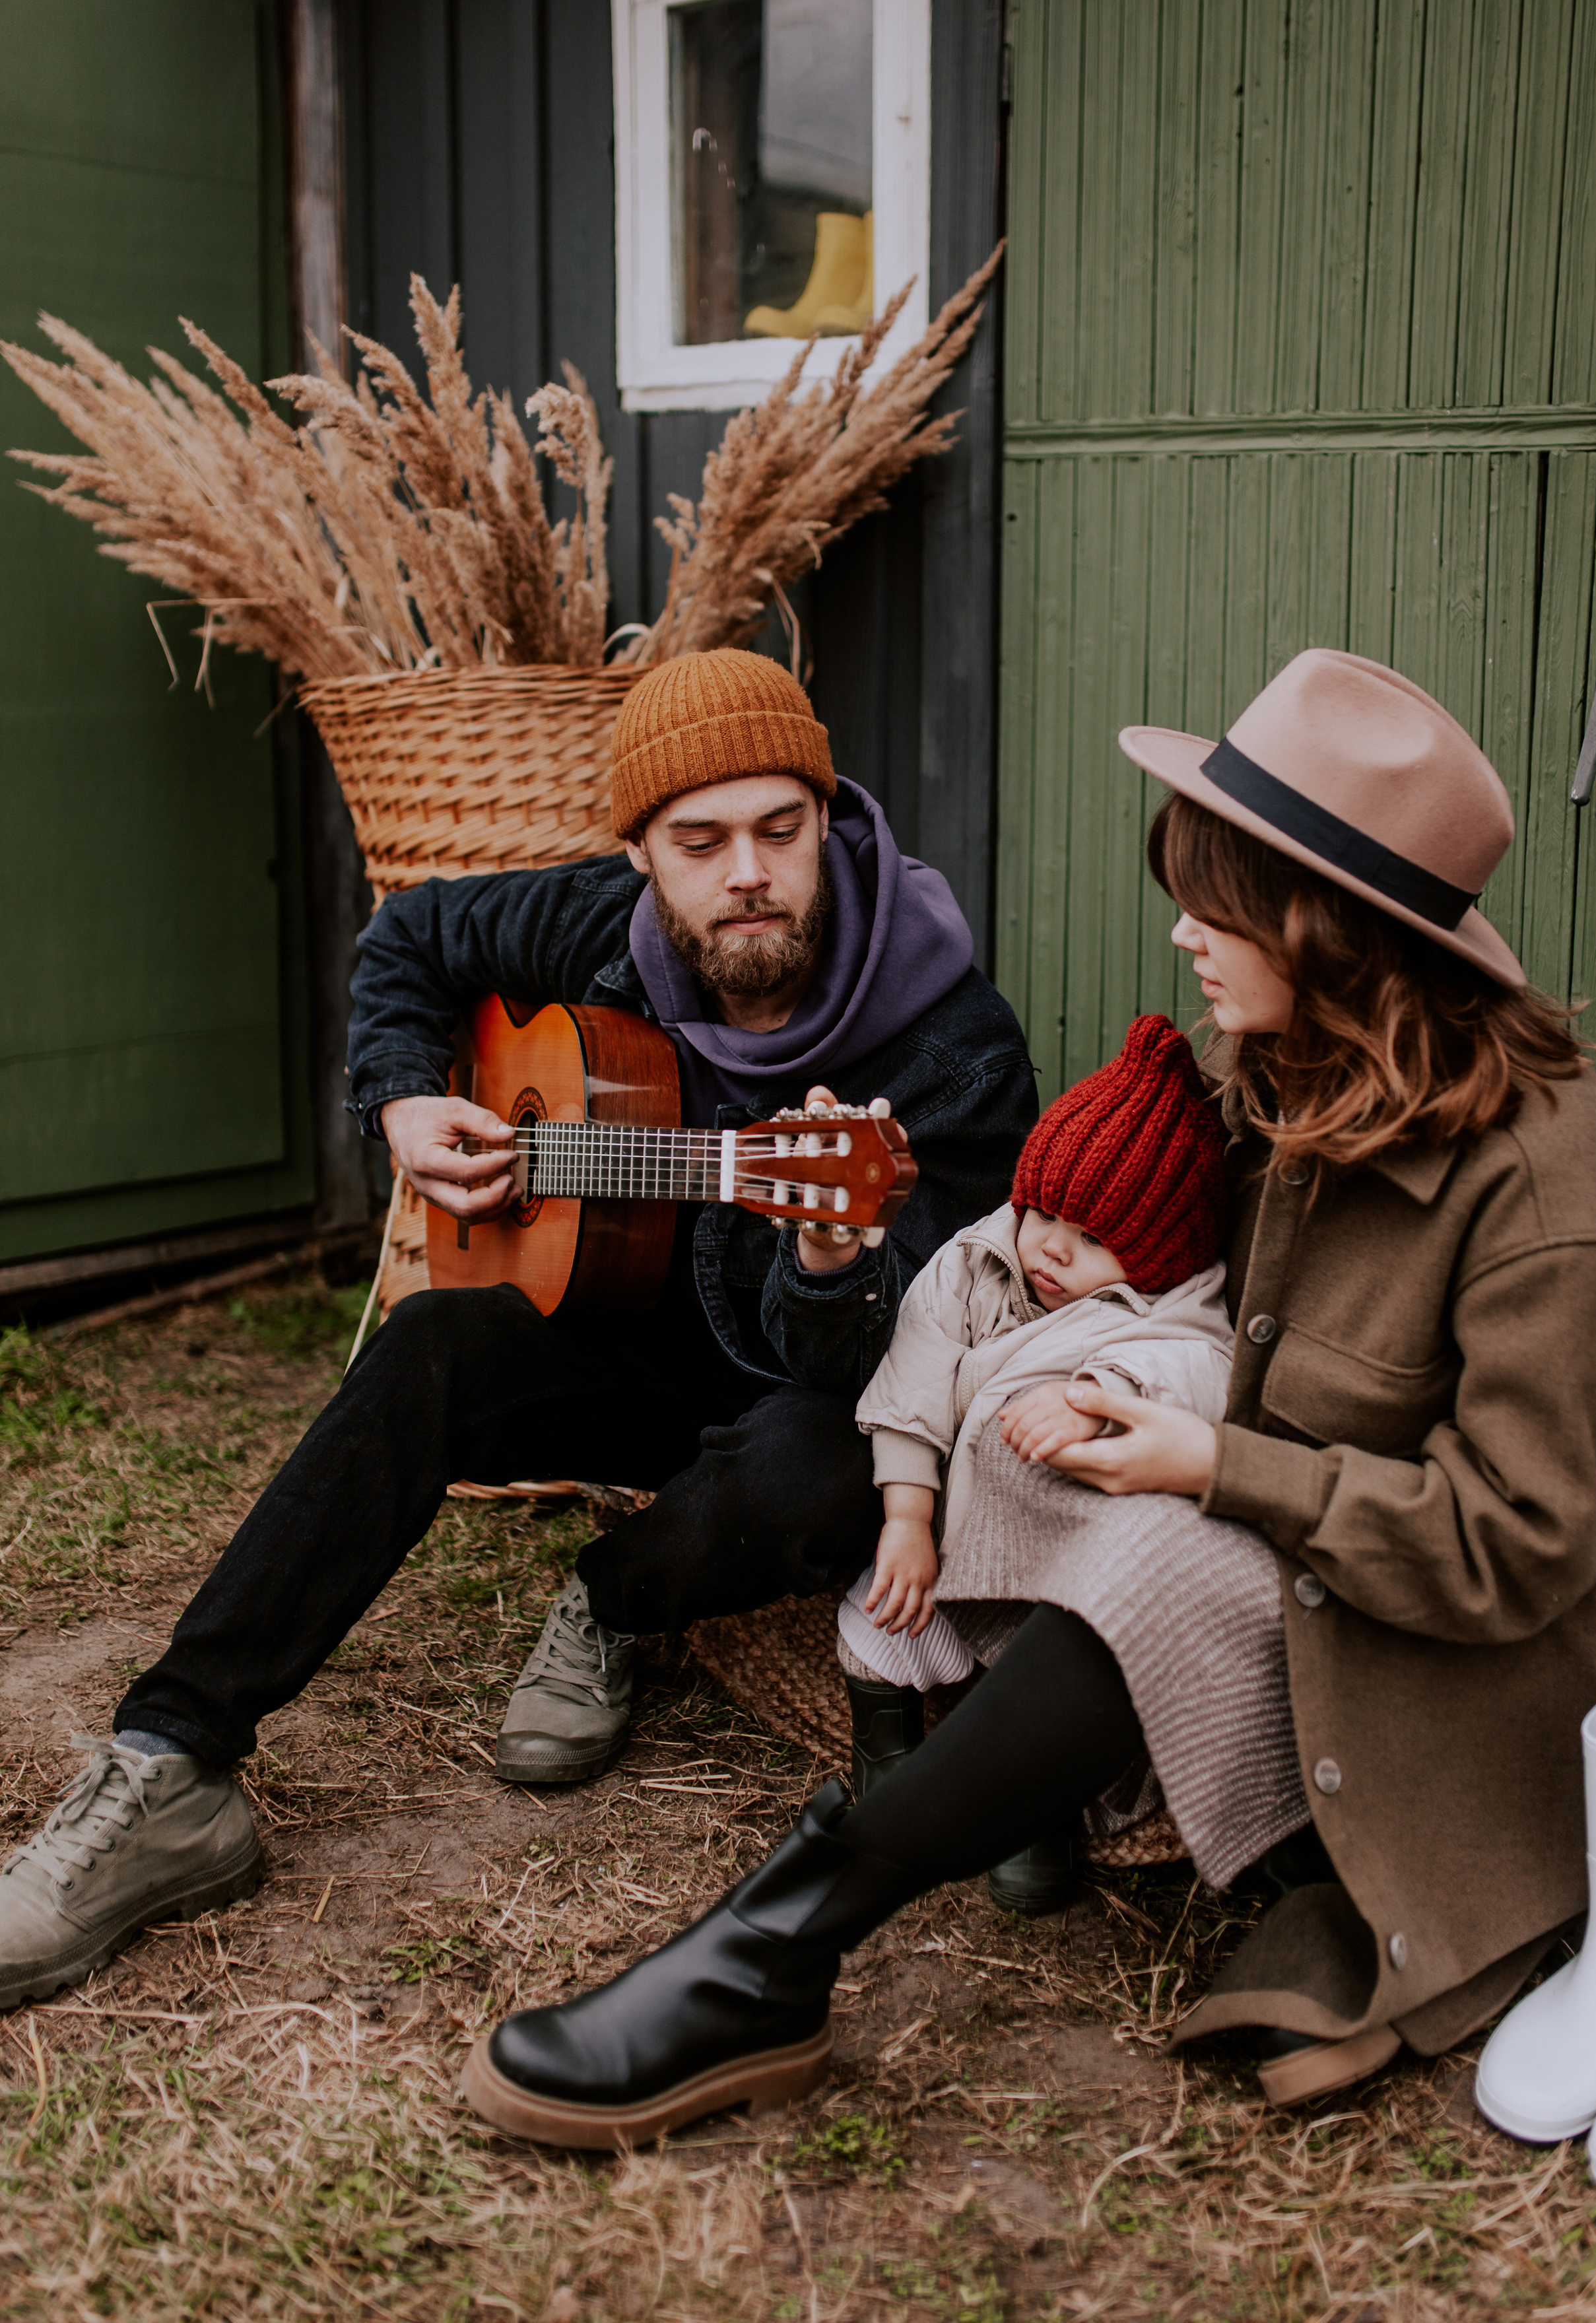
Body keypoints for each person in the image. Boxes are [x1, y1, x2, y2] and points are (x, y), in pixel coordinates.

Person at [459, 646, 1596, 2152]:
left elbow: (1520, 1546)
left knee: (1172, 1552)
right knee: (1054, 1426)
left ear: (1330, 930)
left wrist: (1218, 1467)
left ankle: (774, 1947)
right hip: (1346, 1531)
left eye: (1214, 901)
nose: (1178, 928)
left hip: (1544, 1634)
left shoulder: (1552, 1198)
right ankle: (981, 1818)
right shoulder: (1284, 1086)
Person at [0, 651, 1036, 2011]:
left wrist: (831, 1250)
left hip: (821, 1388)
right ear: (642, 857)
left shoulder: (951, 1050)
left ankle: (613, 1598)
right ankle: (170, 1764)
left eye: (779, 832)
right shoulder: (603, 929)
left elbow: (922, 1368)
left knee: (817, 1474)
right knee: (431, 1346)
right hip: (622, 1346)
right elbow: (410, 937)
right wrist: (399, 1108)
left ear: (826, 823)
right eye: (698, 841)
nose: (745, 876)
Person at [836, 1014, 1233, 1925]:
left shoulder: (1170, 1306)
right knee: (883, 1614)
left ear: (1159, 1253)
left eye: (1089, 1238)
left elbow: (1202, 1366)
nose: (1051, 1247)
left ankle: (1032, 1799)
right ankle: (888, 1738)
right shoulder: (979, 1258)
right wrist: (904, 1514)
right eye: (1043, 1212)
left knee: (1049, 1675)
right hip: (946, 1526)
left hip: (1051, 1552)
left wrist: (1099, 1393)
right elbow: (913, 1381)